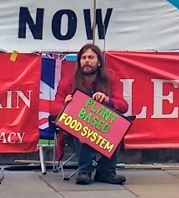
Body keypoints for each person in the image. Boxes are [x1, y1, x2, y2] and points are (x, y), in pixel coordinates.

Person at [50, 43, 128, 186]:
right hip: (75, 131)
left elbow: (123, 106)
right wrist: (66, 105)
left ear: (98, 62)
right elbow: (53, 109)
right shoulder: (67, 82)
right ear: (79, 62)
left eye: (91, 57)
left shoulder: (110, 81)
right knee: (84, 130)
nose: (86, 60)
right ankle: (84, 171)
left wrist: (107, 100)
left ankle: (106, 171)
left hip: (102, 128)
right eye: (83, 58)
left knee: (119, 127)